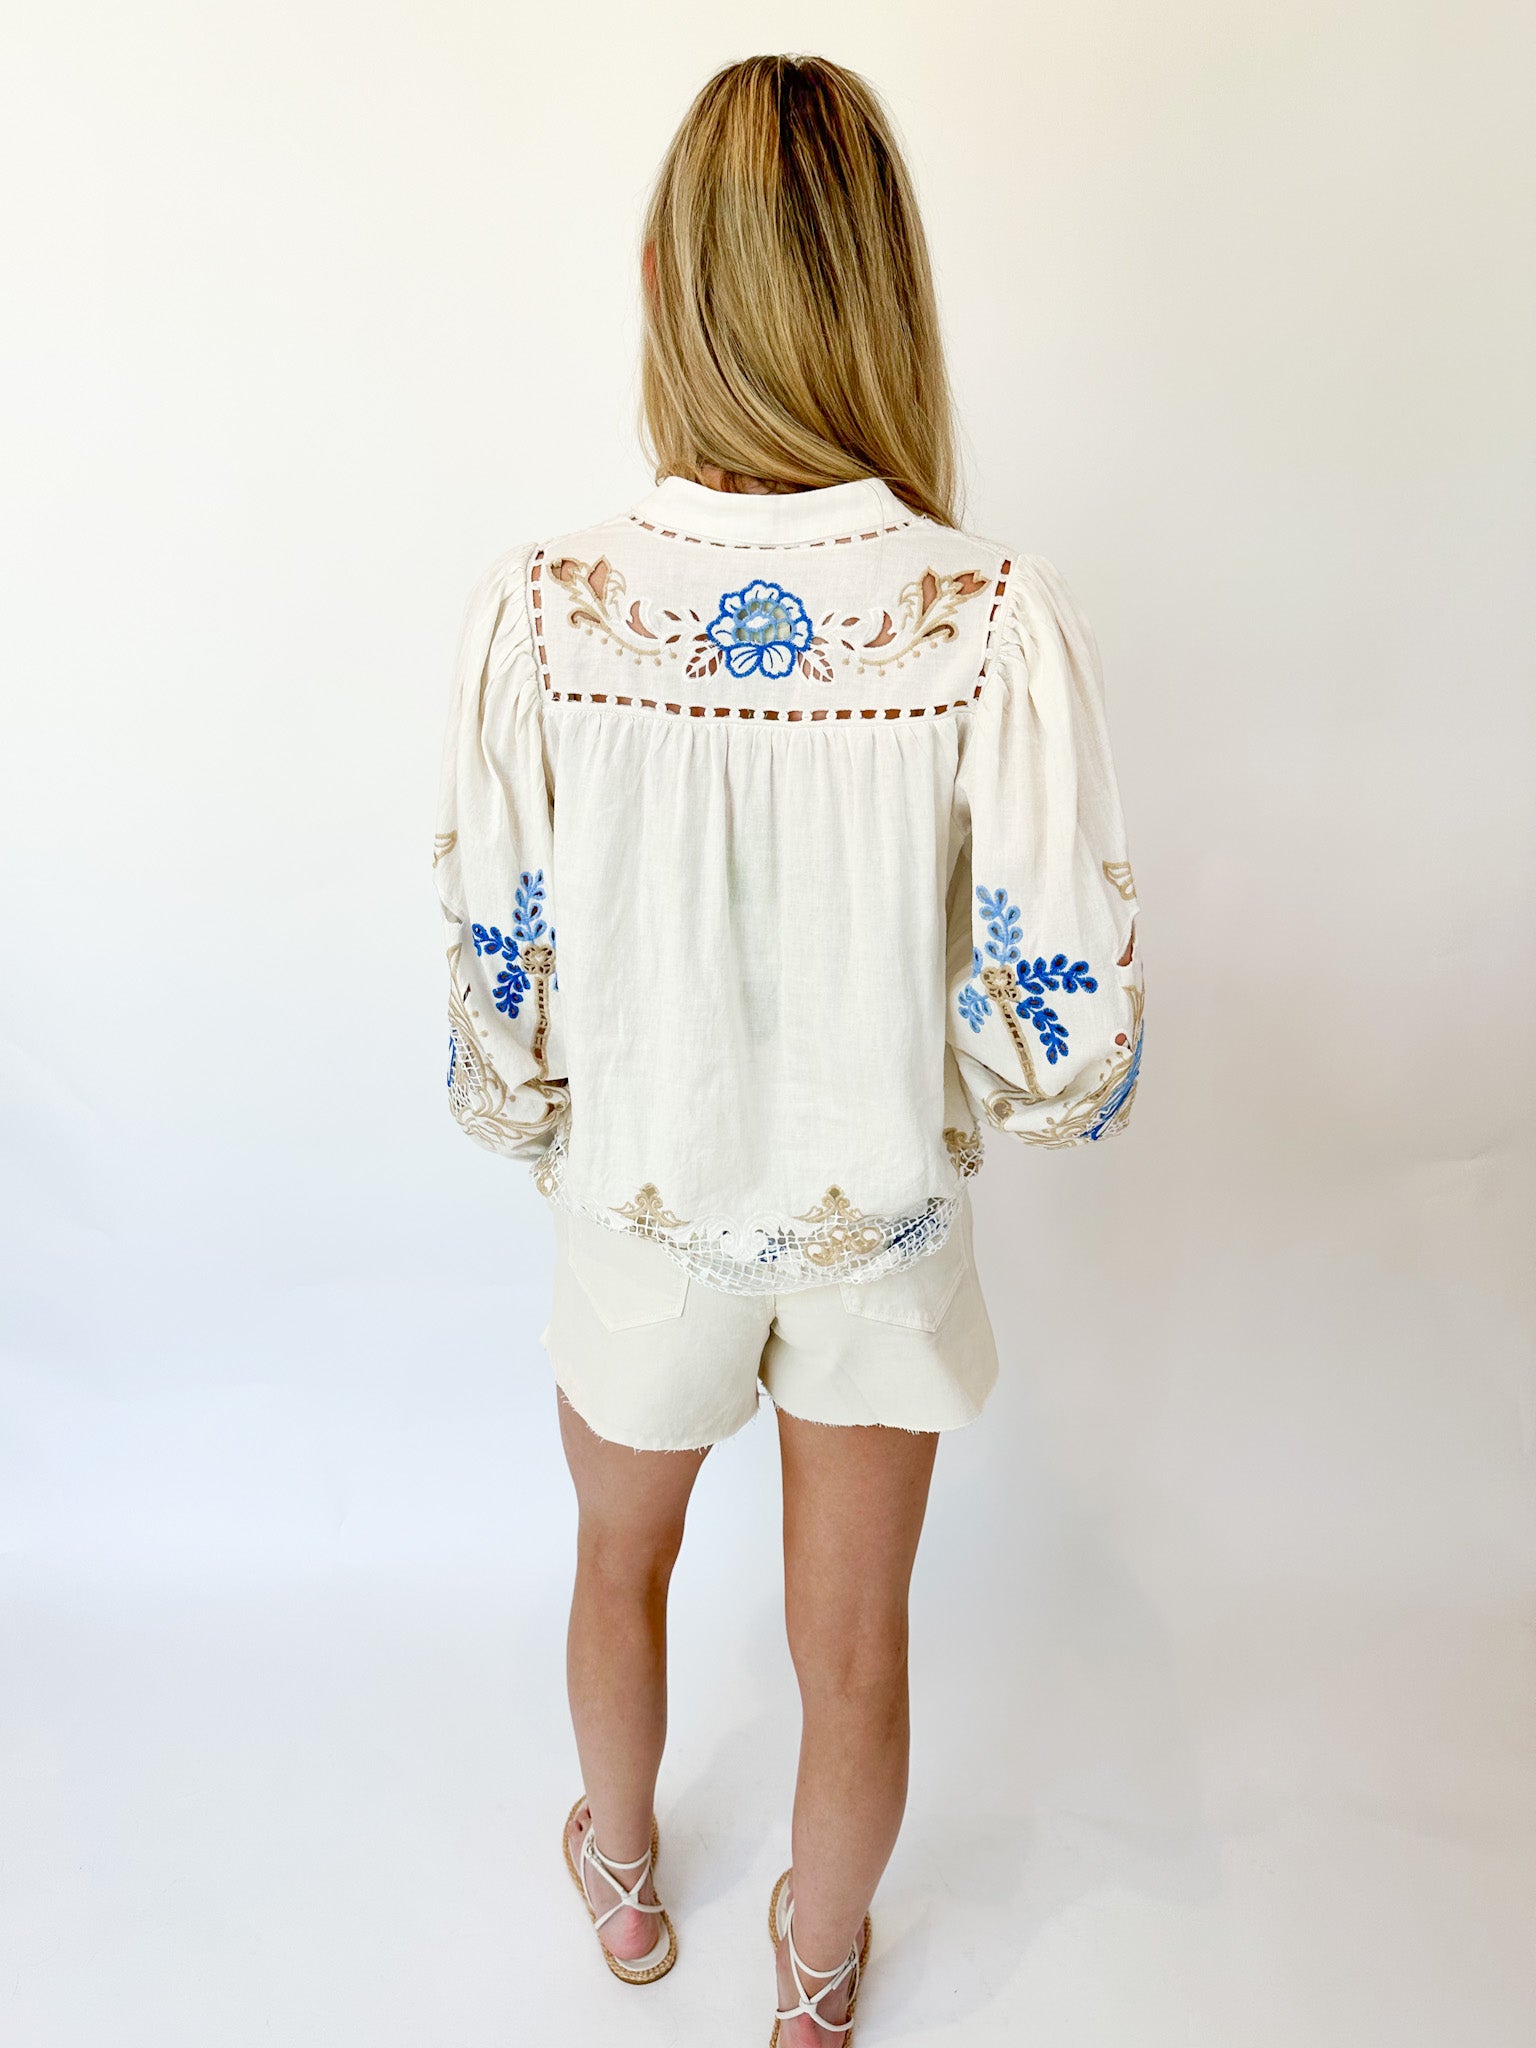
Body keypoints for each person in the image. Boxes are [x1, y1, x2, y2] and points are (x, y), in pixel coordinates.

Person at [433, 51, 1142, 2047]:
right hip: (875, 1229)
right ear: (882, 288)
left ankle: (622, 1876)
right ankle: (819, 1982)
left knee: (617, 1565)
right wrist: (951, 1083)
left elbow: (503, 983)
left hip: (641, 1211)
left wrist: (563, 1117)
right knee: (856, 1649)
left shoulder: (553, 612)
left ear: (668, 278)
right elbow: (1063, 1030)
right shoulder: (983, 620)